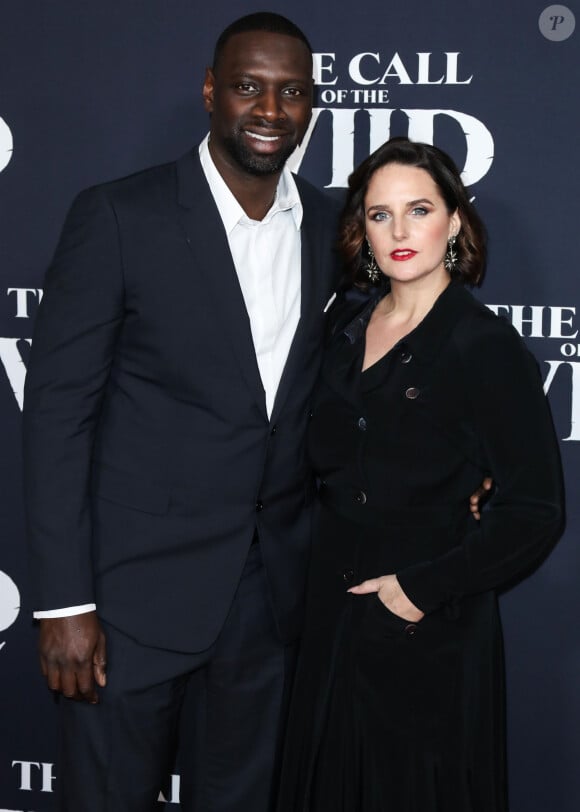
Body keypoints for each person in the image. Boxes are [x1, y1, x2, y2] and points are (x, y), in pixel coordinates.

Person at [22, 13, 340, 812]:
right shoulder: (122, 216)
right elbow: (58, 413)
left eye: (292, 92)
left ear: (311, 107)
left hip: (271, 604)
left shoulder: (336, 227)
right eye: (247, 87)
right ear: (209, 92)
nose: (270, 110)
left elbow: (375, 378)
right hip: (127, 606)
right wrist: (64, 602)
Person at [276, 138, 564, 812]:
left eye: (419, 209)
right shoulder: (343, 322)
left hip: (423, 630)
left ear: (455, 220)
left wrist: (420, 589)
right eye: (380, 215)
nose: (400, 232)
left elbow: (536, 508)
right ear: (361, 229)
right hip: (327, 618)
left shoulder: (482, 346)